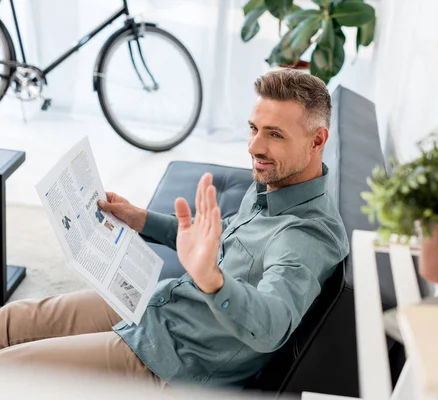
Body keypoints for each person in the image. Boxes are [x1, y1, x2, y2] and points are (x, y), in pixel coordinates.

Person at [0, 69, 349, 388]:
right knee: (14, 319)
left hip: (167, 361)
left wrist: (212, 280)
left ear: (317, 140)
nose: (255, 147)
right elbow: (222, 237)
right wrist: (141, 218)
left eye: (274, 134)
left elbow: (271, 326)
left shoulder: (304, 237)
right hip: (162, 303)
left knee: (9, 371)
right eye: (254, 128)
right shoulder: (274, 187)